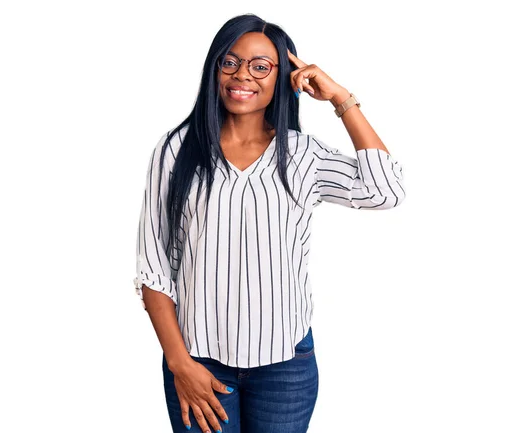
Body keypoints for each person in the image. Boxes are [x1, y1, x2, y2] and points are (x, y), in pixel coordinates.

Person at [133, 13, 406, 433]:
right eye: (230, 61)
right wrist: (179, 363)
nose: (242, 74)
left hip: (286, 369)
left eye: (261, 66)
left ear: (283, 77)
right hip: (198, 363)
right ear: (214, 68)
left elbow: (385, 190)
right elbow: (154, 269)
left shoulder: (300, 155)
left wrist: (340, 98)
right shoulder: (177, 150)